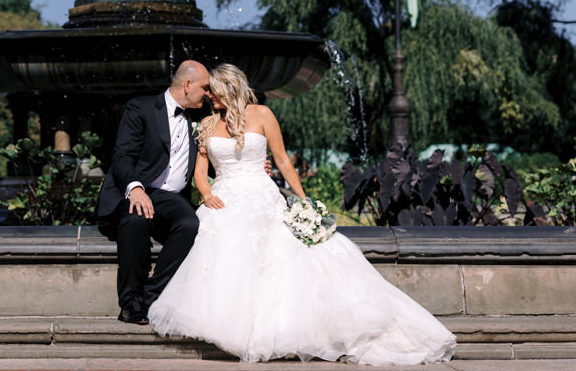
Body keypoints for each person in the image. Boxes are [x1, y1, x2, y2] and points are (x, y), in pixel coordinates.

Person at [148, 64, 457, 365]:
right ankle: (224, 324)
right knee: (217, 239)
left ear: (228, 90)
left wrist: (303, 199)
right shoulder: (207, 124)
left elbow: (281, 160)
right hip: (224, 197)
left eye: (213, 92)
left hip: (261, 195)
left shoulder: (264, 115)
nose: (208, 98)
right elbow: (200, 173)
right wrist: (207, 195)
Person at [96, 60, 211, 325]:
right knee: (135, 220)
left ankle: (151, 296)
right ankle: (130, 303)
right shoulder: (142, 108)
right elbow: (123, 155)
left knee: (190, 223)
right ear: (187, 85)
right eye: (205, 87)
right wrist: (135, 188)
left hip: (171, 198)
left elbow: (213, 158)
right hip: (138, 190)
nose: (208, 93)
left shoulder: (200, 119)